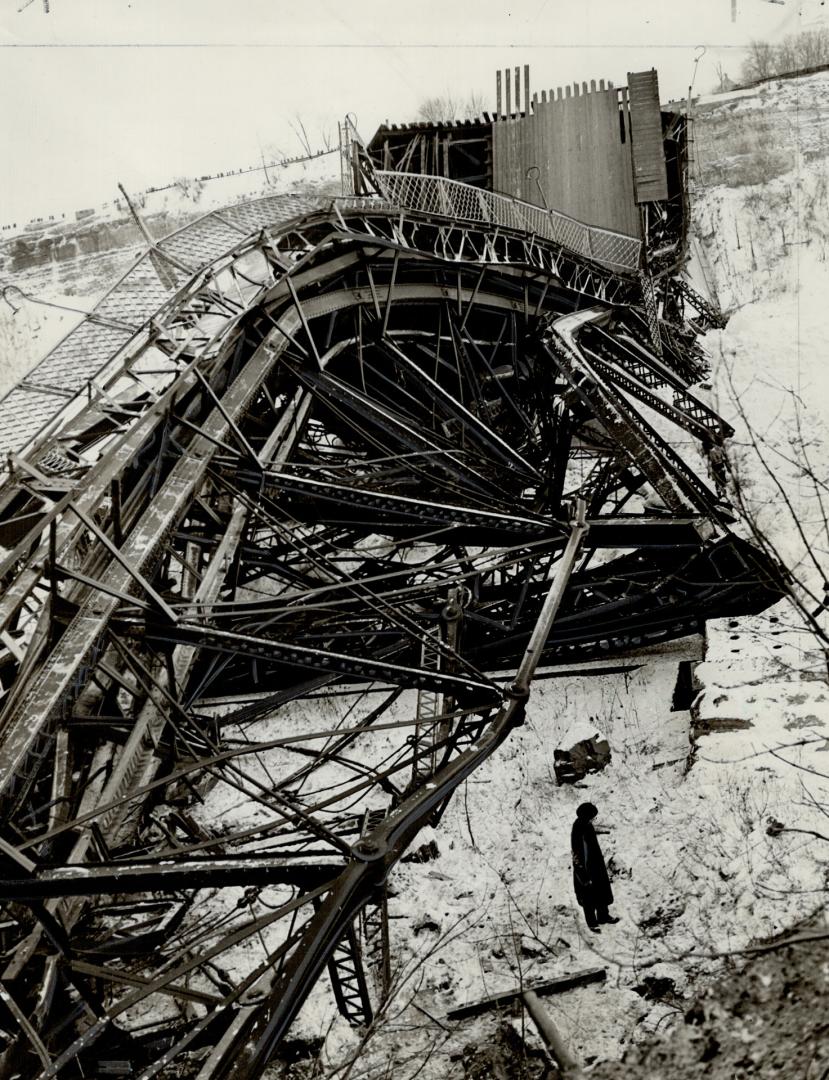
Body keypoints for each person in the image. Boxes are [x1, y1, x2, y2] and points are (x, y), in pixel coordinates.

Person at [571, 802, 619, 933]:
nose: (593, 819)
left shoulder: (587, 825)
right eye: (592, 816)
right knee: (588, 896)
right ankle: (592, 922)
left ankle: (603, 916)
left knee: (601, 890)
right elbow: (577, 852)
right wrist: (582, 874)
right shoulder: (578, 828)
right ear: (586, 816)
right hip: (586, 868)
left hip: (596, 865)